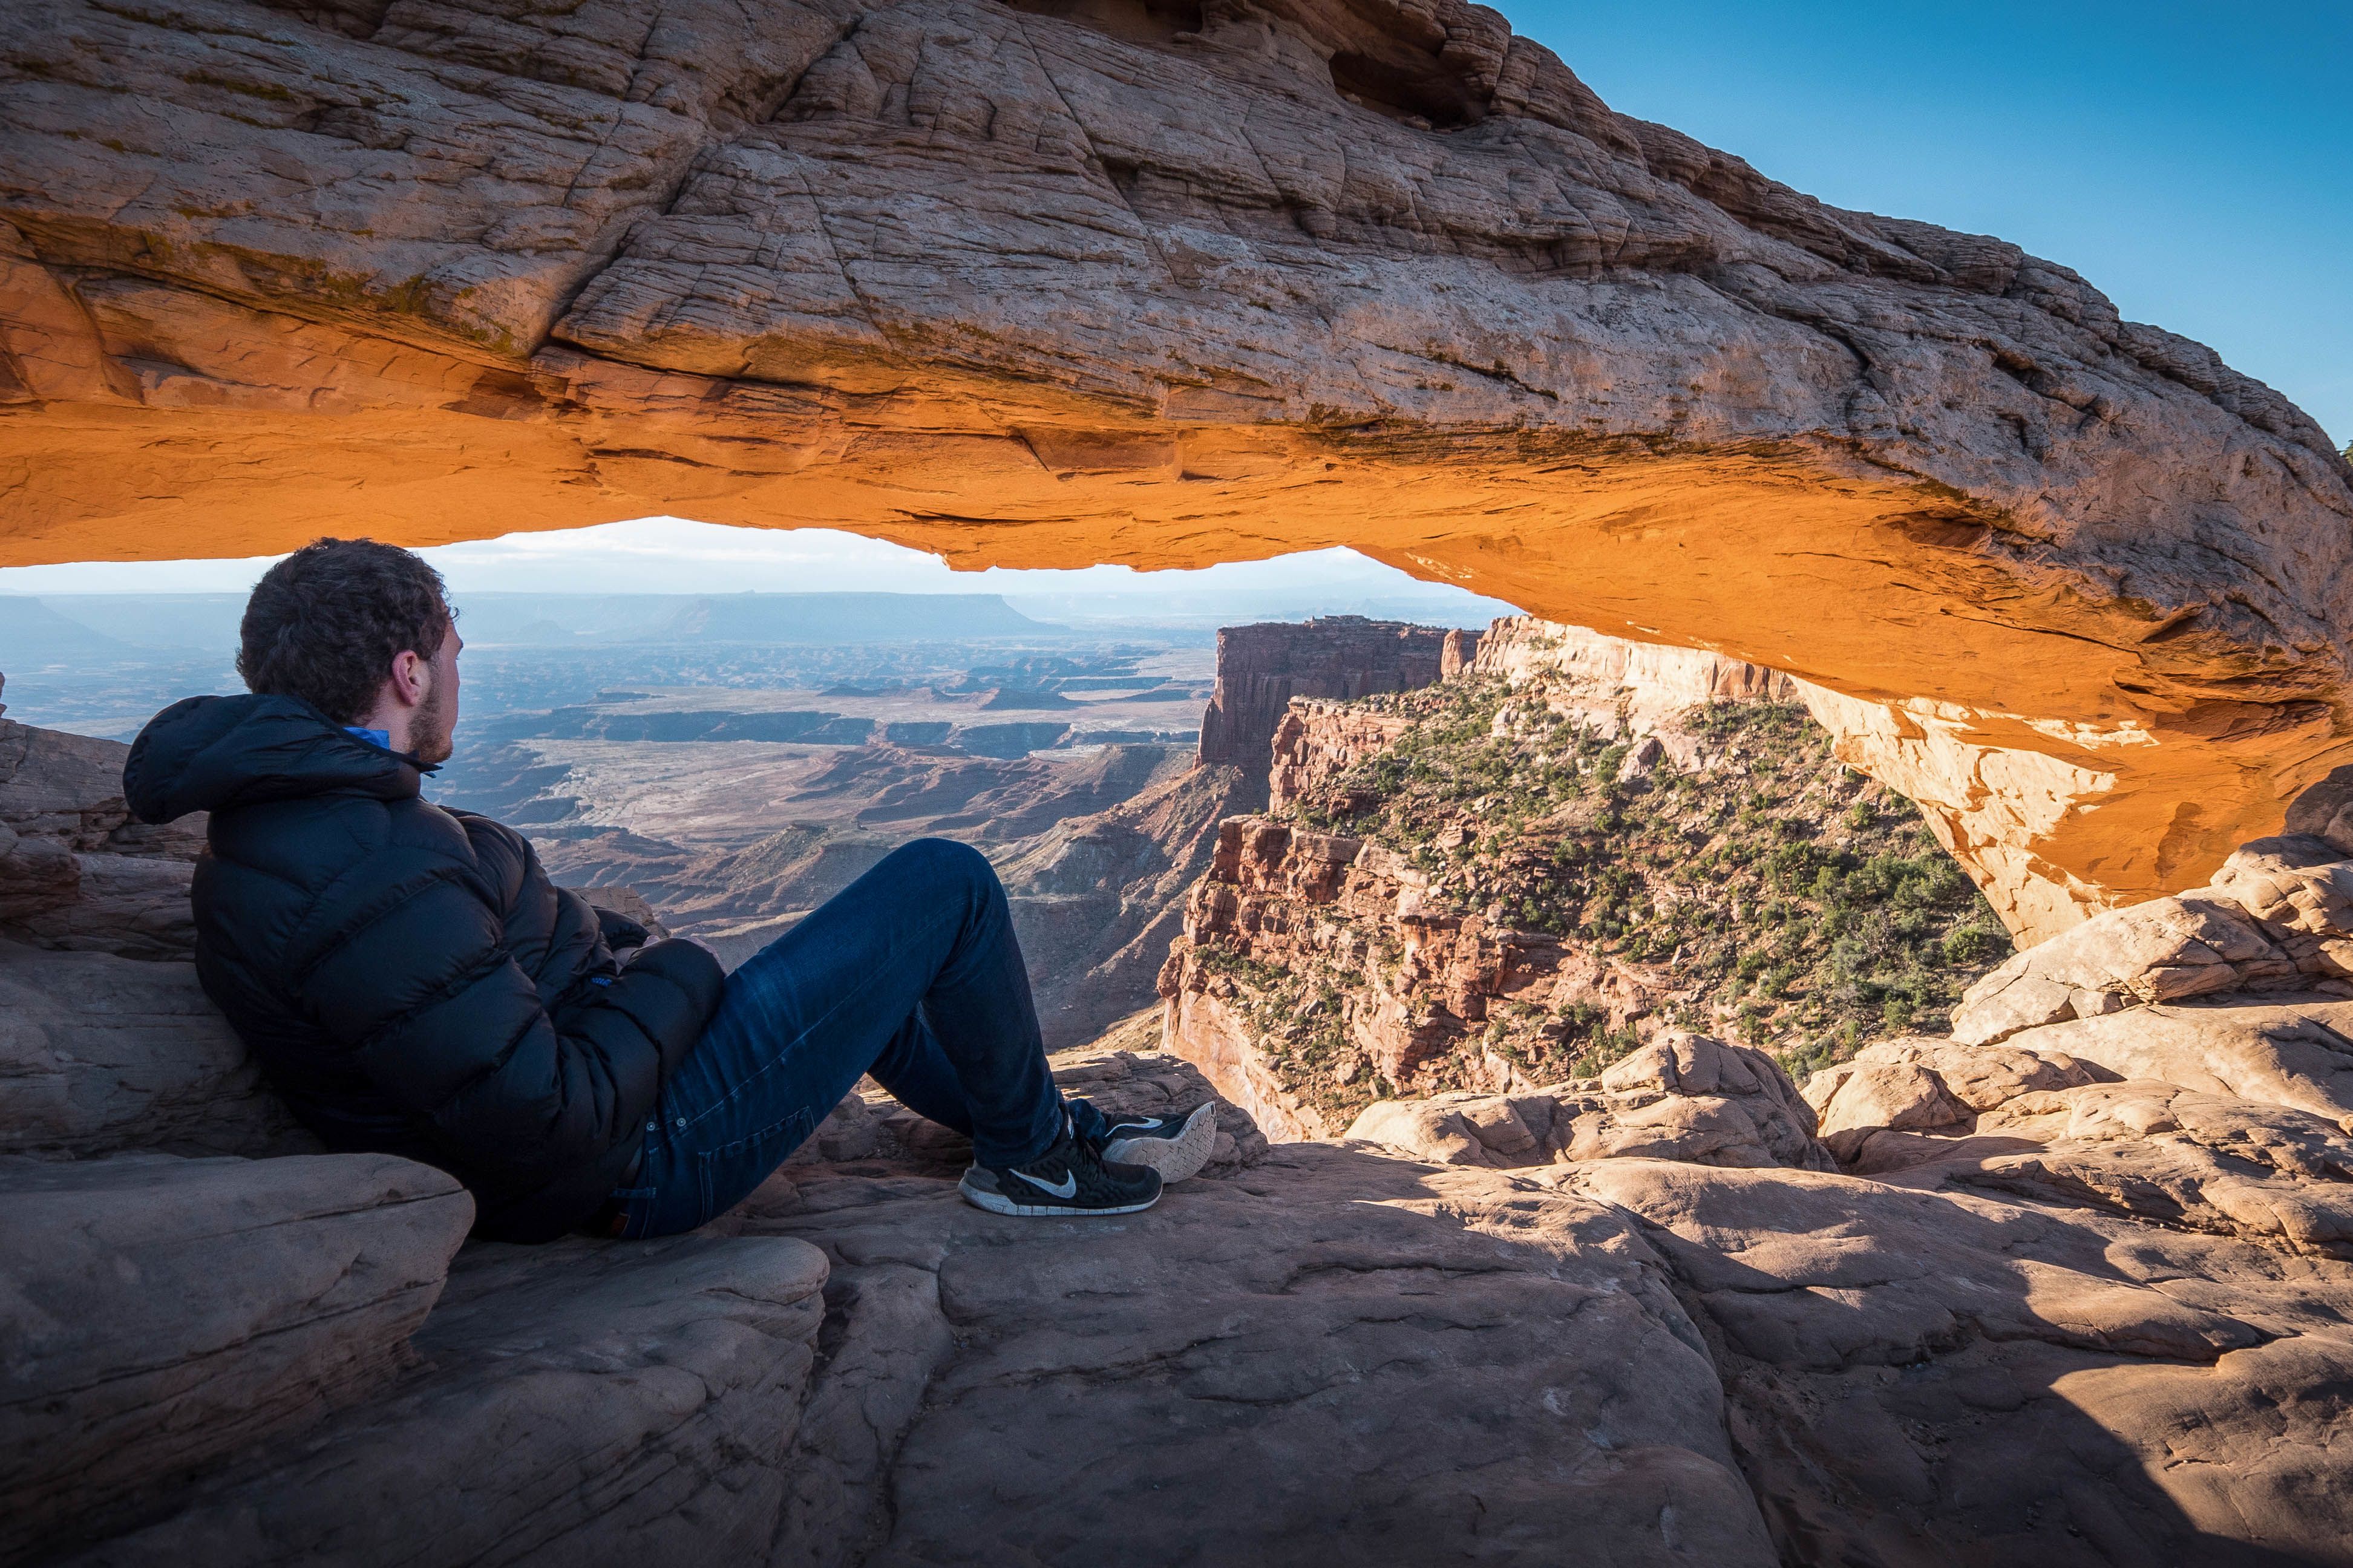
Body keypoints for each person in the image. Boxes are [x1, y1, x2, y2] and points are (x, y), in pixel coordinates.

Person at [123, 538, 1213, 1243]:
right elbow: (548, 1119)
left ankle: (1045, 1127)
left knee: (860, 962)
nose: (460, 674)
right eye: (453, 652)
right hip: (633, 1165)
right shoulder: (361, 858)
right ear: (409, 672)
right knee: (948, 882)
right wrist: (681, 974)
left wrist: (600, 947)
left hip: (607, 1097)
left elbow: (455, 987)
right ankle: (1035, 1167)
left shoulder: (307, 819)